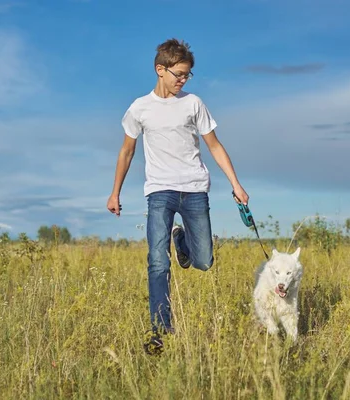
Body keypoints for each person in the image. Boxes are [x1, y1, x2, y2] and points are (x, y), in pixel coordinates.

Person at [106, 38, 249, 354]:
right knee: (157, 262)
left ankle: (181, 240)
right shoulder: (139, 108)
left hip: (195, 190)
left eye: (187, 75)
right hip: (159, 191)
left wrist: (236, 184)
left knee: (204, 261)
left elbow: (214, 145)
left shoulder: (193, 103)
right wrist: (115, 191)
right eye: (179, 74)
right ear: (160, 69)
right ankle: (160, 331)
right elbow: (127, 151)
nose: (183, 80)